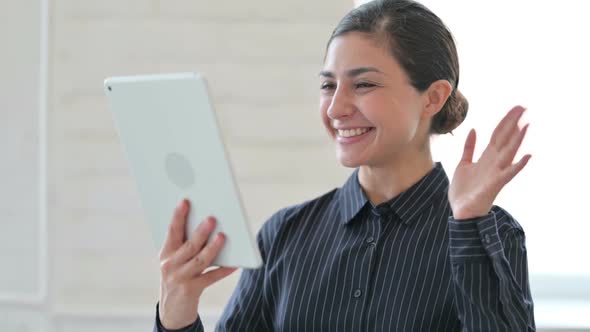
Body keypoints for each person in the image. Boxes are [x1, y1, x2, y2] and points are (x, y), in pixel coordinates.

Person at [154, 0, 535, 331]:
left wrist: (467, 223)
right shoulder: (285, 234)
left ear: (433, 97)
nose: (336, 108)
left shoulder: (492, 234)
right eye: (327, 86)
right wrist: (177, 315)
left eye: (364, 85)